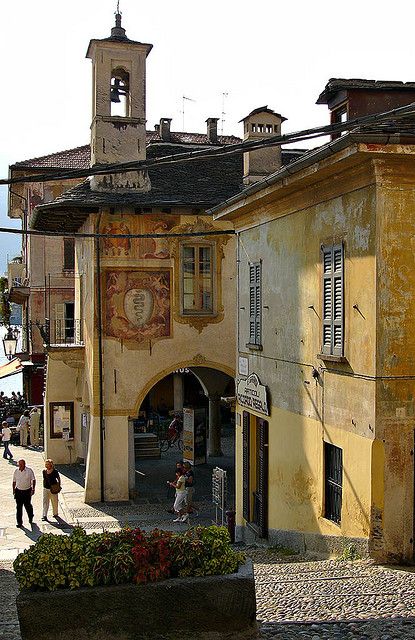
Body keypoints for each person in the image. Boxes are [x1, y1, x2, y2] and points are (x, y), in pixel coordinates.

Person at [12, 459, 36, 527]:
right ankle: (19, 522)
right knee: (19, 507)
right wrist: (13, 490)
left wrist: (33, 488)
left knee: (27, 505)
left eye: (21, 465)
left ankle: (30, 516)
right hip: (18, 491)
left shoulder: (29, 471)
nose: (20, 466)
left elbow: (33, 480)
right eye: (19, 465)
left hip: (27, 491)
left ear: (24, 464)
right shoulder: (16, 471)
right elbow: (14, 481)